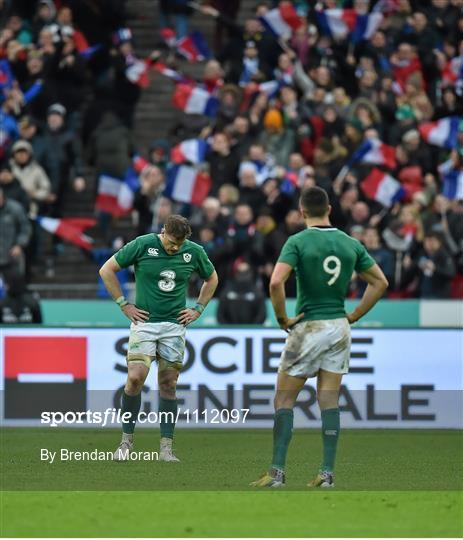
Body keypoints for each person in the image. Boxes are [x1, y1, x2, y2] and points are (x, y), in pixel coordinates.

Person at [251, 187, 388, 488]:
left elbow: (276, 282)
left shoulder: (297, 241)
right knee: (328, 399)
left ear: (301, 212)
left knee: (284, 398)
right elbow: (380, 282)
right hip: (339, 325)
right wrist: (354, 315)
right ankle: (326, 473)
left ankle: (277, 473)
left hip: (309, 326)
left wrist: (282, 318)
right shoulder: (350, 243)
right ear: (329, 208)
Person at [99, 215, 218, 461]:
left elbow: (212, 278)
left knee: (168, 384)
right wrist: (124, 304)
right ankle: (126, 442)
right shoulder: (143, 244)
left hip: (174, 327)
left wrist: (198, 308)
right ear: (163, 231)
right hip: (144, 324)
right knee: (134, 378)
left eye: (180, 244)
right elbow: (107, 269)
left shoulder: (194, 251)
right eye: (172, 243)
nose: (175, 248)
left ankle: (166, 448)